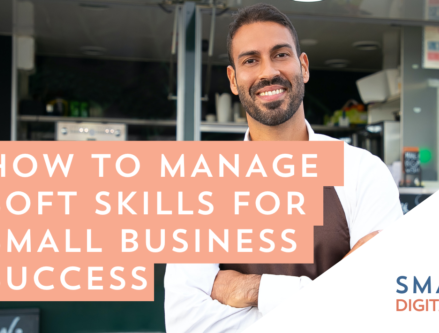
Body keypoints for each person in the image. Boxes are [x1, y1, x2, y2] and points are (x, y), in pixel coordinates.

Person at [164, 3, 403, 332]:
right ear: (233, 79)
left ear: (303, 66)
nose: (268, 73)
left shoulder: (362, 172)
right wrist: (332, 296)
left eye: (280, 55)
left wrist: (254, 289)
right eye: (251, 60)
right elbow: (186, 323)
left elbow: (380, 304)